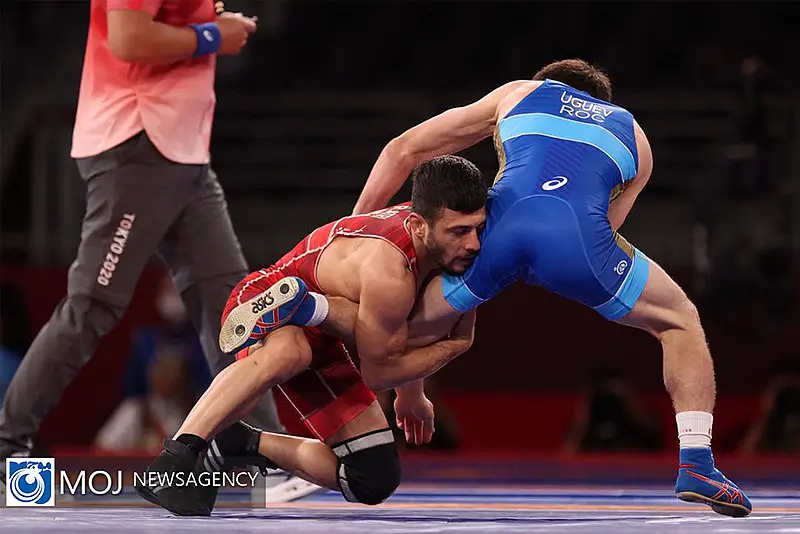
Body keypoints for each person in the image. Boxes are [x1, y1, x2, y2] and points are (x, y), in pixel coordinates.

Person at [257, 60, 753, 517]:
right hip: (574, 241)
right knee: (679, 319)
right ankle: (695, 462)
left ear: (549, 81)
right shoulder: (636, 137)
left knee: (389, 332)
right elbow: (605, 225)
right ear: (603, 99)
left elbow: (404, 150)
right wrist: (555, 262)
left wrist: (358, 226)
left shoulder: (520, 93)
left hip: (497, 232)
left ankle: (322, 316)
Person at [0, 0, 313, 501]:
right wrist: (213, 35)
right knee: (92, 307)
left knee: (232, 307)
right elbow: (128, 39)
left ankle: (250, 453)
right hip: (137, 147)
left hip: (183, 152)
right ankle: (4, 448)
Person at [134, 155, 484, 516]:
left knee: (373, 475)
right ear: (418, 224)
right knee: (290, 353)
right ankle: (176, 457)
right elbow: (381, 369)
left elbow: (404, 333)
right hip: (268, 292)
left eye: (477, 228)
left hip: (326, 332)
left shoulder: (435, 231)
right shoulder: (391, 271)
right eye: (459, 232)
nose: (473, 244)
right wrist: (457, 345)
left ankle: (239, 440)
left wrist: (413, 394)